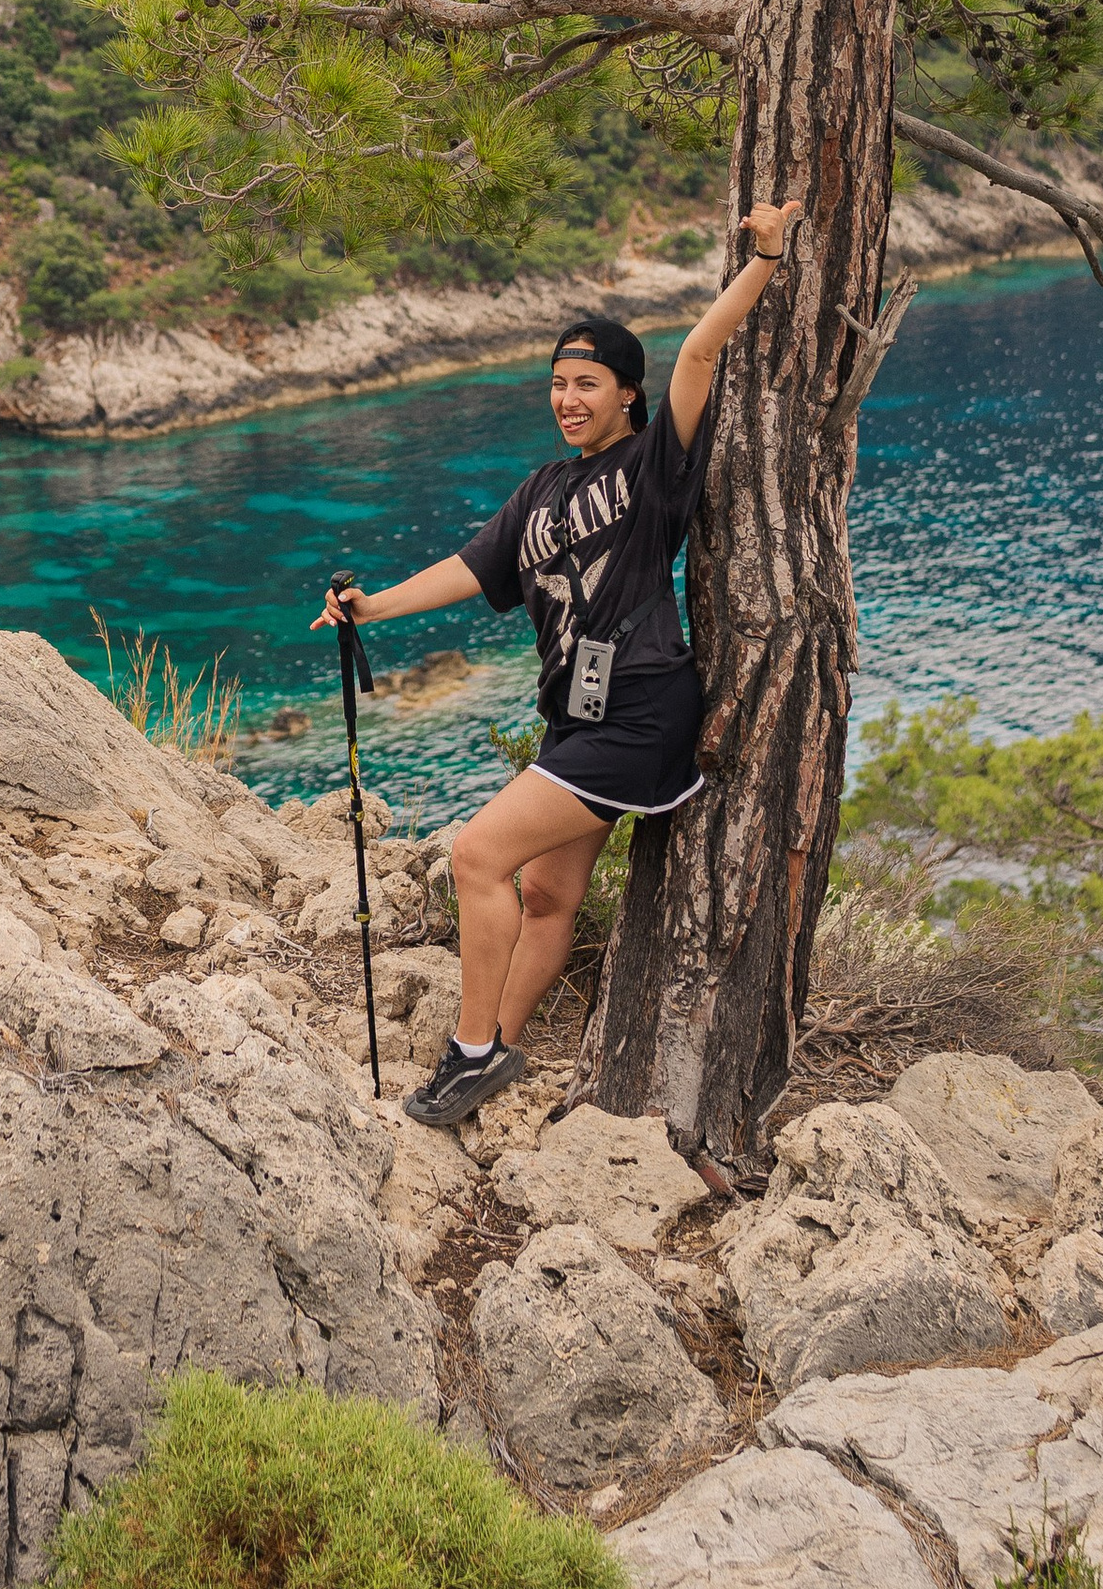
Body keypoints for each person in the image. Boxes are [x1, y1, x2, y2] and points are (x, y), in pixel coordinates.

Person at [315, 199, 801, 1131]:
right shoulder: (541, 489)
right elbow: (470, 567)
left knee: (477, 854)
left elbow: (700, 354)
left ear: (627, 392)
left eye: (586, 383)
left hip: (641, 710)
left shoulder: (659, 464)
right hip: (577, 719)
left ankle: (468, 1055)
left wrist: (765, 262)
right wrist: (369, 606)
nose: (567, 400)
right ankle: (494, 1047)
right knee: (544, 894)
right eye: (556, 384)